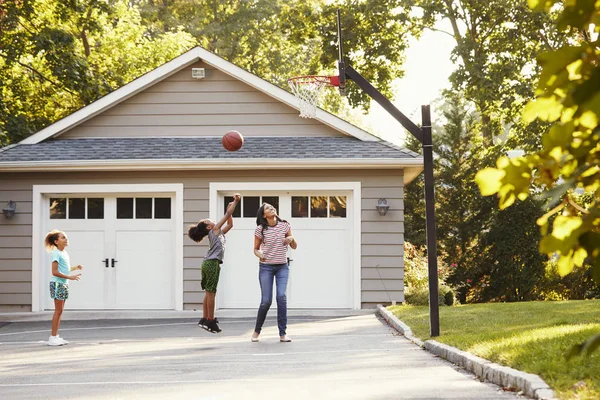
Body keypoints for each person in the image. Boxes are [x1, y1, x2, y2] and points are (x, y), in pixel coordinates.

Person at [188, 193, 241, 333]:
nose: (213, 221)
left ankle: (205, 318)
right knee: (211, 293)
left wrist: (229, 210)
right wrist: (235, 202)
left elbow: (230, 224)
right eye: (210, 220)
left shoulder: (218, 233)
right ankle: (210, 321)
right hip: (211, 263)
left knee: (208, 292)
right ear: (208, 227)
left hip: (208, 263)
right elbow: (227, 215)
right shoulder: (215, 230)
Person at [251, 203, 297, 343]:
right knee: (266, 301)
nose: (272, 208)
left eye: (272, 207)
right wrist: (260, 255)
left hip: (282, 266)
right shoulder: (260, 229)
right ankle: (257, 331)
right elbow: (255, 249)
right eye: (268, 208)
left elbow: (294, 246)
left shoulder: (285, 225)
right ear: (264, 215)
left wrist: (291, 239)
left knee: (281, 296)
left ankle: (283, 333)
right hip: (266, 268)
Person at [44, 229, 83, 346]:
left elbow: (64, 269)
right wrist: (70, 277)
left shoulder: (64, 253)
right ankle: (52, 338)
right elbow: (54, 272)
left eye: (65, 237)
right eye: (63, 237)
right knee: (58, 311)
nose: (66, 239)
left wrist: (75, 267)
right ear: (56, 241)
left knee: (60, 311)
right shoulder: (55, 253)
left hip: (63, 284)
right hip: (57, 284)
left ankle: (56, 336)